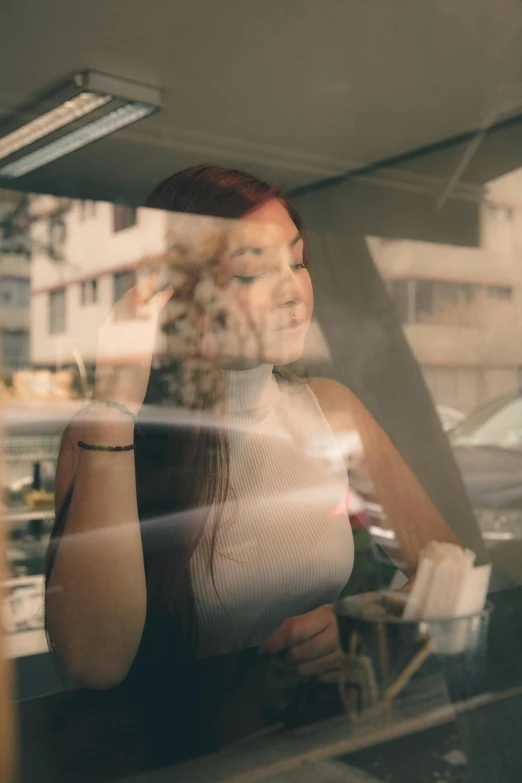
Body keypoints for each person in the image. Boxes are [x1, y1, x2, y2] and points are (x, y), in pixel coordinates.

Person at [44, 165, 462, 755]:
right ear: (178, 298)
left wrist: (365, 629)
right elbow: (96, 661)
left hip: (322, 751)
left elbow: (449, 570)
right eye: (252, 272)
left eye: (297, 261)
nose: (293, 290)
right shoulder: (107, 435)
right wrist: (115, 404)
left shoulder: (331, 410)